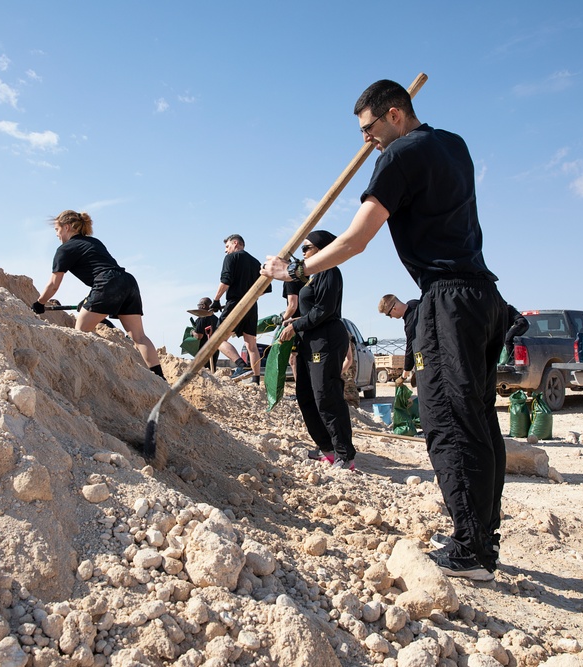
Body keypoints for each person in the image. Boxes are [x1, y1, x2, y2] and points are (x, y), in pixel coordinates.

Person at [263, 79, 507, 581]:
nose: (366, 141)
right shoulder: (453, 144)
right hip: (483, 295)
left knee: (448, 423)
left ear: (395, 115)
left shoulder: (398, 156)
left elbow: (355, 240)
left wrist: (295, 270)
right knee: (479, 422)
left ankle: (472, 552)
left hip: (447, 301)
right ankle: (482, 535)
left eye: (369, 129)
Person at [33, 210, 166, 380]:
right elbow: (102, 270)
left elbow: (53, 285)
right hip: (127, 281)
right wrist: (89, 300)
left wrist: (39, 304)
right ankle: (161, 380)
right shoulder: (93, 242)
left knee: (80, 330)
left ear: (66, 227)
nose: (57, 235)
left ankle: (84, 375)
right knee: (139, 336)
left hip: (107, 284)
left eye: (57, 230)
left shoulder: (64, 249)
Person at [278, 230, 356, 470]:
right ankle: (327, 449)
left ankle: (345, 454)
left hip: (326, 339)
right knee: (306, 395)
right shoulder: (311, 276)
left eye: (307, 248)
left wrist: (296, 325)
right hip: (308, 341)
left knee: (326, 395)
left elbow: (324, 309)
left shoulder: (329, 271)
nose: (303, 253)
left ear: (322, 249)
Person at [212, 234, 268, 379]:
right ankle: (255, 379)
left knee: (217, 339)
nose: (226, 251)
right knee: (251, 345)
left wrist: (216, 300)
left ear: (235, 243)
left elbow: (226, 281)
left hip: (235, 303)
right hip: (252, 305)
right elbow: (265, 289)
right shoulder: (256, 262)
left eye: (227, 246)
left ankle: (241, 366)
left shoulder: (231, 258)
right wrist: (249, 296)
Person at [379, 294, 420, 384]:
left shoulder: (410, 324)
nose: (390, 317)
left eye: (388, 314)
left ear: (394, 308)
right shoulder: (414, 303)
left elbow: (410, 349)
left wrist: (403, 377)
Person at [189, 297, 220, 371]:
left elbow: (199, 336)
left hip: (204, 350)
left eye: (199, 305)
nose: (198, 307)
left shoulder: (203, 317)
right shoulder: (216, 319)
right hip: (215, 349)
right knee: (212, 371)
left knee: (204, 372)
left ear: (203, 306)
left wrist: (192, 332)